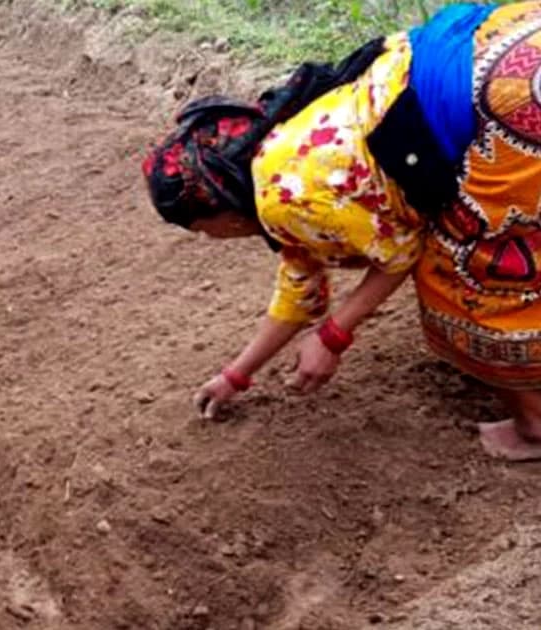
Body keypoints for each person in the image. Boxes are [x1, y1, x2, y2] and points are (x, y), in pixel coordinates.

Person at [142, 2, 541, 460]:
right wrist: (236, 375)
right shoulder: (277, 149)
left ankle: (534, 427)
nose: (210, 239)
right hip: (508, 38)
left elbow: (401, 255)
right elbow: (297, 291)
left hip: (508, 100)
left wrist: (333, 337)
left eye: (201, 230)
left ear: (220, 214)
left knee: (458, 270)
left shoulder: (285, 199)